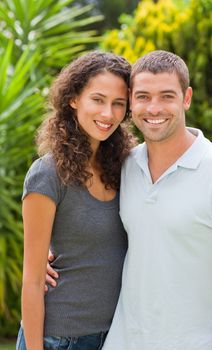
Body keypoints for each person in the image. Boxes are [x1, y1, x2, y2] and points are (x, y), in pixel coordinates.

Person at [47, 50, 212, 350]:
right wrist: (49, 254)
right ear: (131, 101)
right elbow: (96, 222)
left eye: (166, 96)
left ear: (186, 98)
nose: (154, 108)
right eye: (142, 96)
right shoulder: (124, 167)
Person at [16, 51, 131, 350]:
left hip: (115, 335)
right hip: (59, 338)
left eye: (118, 103)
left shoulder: (125, 168)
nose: (108, 114)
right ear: (74, 99)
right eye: (98, 99)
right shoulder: (48, 174)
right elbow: (31, 281)